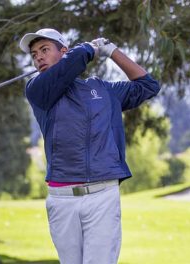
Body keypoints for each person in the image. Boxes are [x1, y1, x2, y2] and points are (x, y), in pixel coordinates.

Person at [19, 28, 160, 264]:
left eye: (44, 50)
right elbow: (69, 66)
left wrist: (111, 51)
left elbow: (148, 85)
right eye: (34, 55)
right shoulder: (37, 90)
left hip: (102, 195)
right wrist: (86, 49)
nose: (38, 57)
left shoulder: (103, 90)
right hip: (61, 199)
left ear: (63, 52)